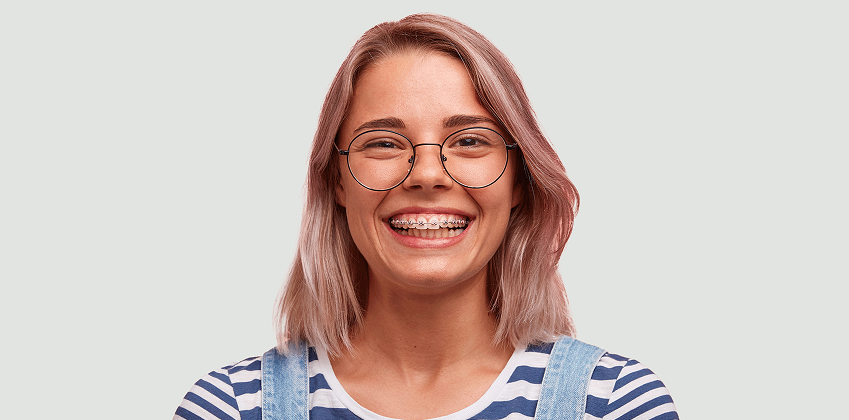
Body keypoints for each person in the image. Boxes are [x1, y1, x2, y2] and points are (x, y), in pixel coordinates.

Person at [174, 13, 678, 420]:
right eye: (384, 143)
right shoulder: (231, 407)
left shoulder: (615, 403)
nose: (428, 174)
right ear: (337, 181)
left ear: (520, 180)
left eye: (470, 140)